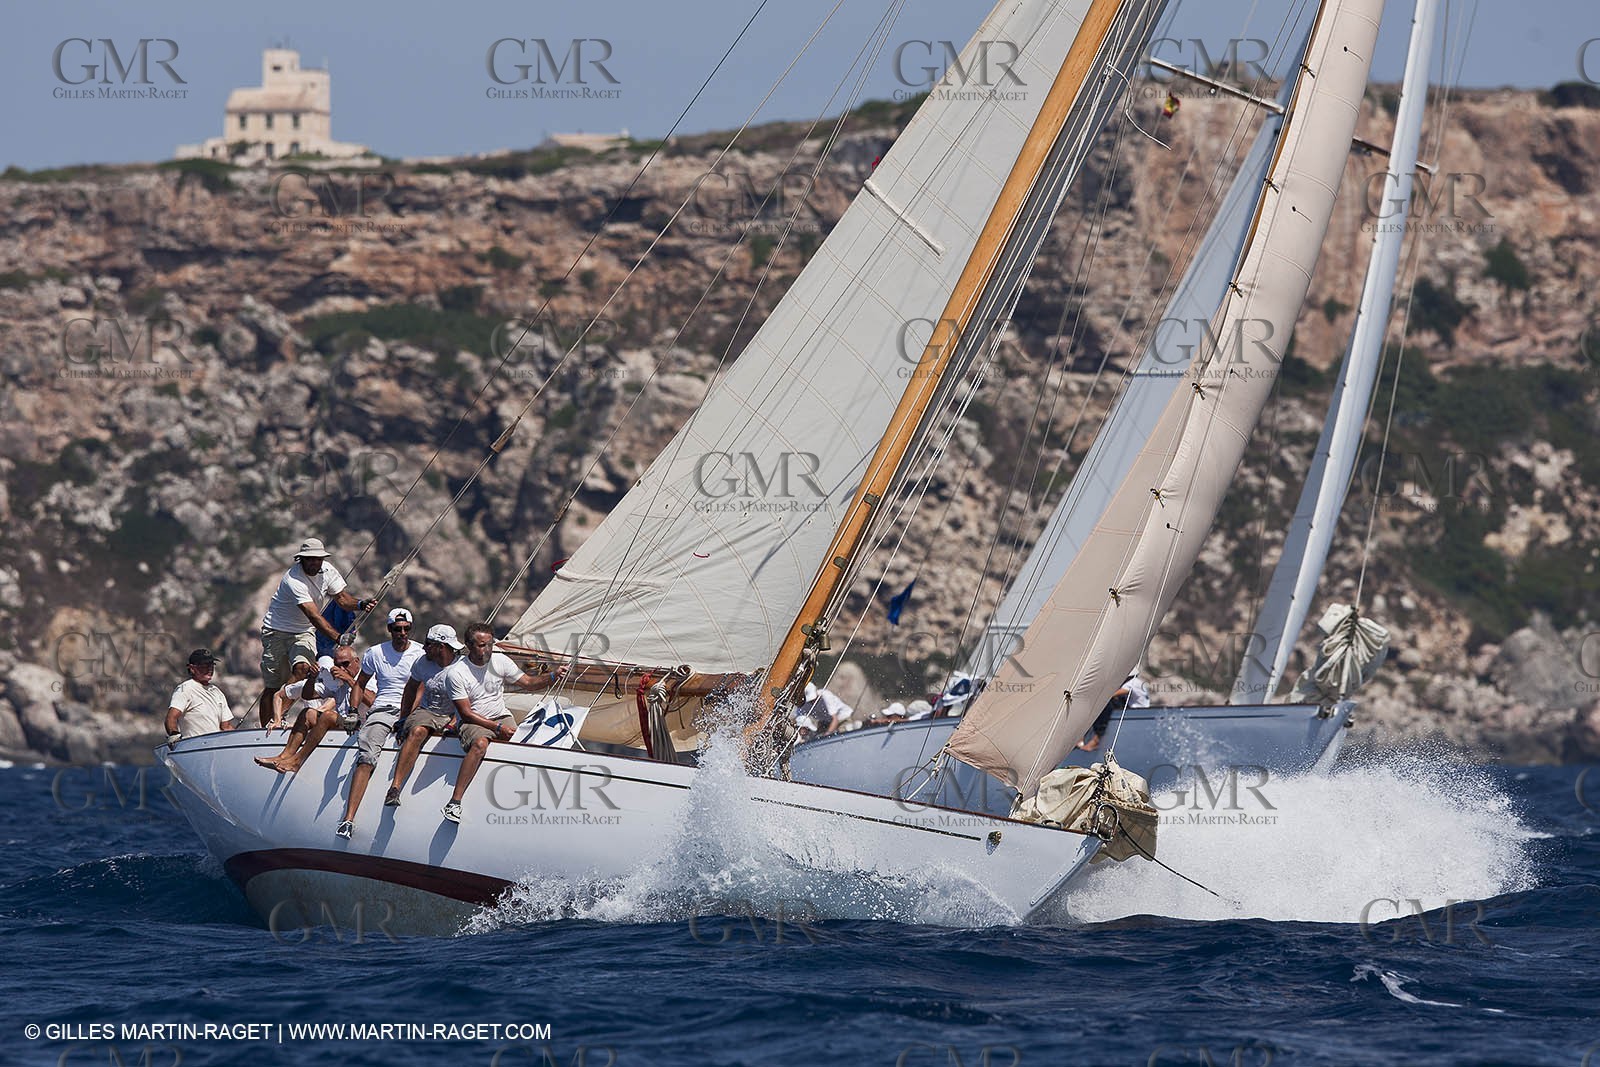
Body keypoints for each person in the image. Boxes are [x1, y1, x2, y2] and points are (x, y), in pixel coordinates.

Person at [257, 537, 376, 728]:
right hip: (277, 630)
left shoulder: (328, 570)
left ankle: (279, 716)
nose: (314, 562)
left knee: (303, 669)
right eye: (310, 558)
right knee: (273, 684)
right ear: (301, 559)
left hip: (303, 631)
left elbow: (343, 599)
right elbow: (313, 615)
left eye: (317, 558)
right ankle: (265, 727)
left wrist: (361, 604)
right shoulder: (293, 580)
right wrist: (338, 637)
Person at [335, 608, 425, 838]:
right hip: (384, 708)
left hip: (411, 709)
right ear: (390, 630)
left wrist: (408, 716)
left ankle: (394, 789)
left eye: (406, 629)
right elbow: (360, 684)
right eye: (397, 629)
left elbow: (420, 689)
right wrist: (353, 712)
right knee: (366, 755)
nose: (402, 633)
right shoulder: (375, 653)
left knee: (418, 732)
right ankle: (348, 819)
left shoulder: (420, 653)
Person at [439, 623, 542, 823]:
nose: (487, 650)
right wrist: (497, 728)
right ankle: (454, 802)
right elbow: (466, 714)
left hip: (500, 714)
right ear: (469, 645)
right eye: (481, 645)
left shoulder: (500, 661)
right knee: (480, 745)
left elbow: (528, 683)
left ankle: (519, 797)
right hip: (473, 721)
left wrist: (554, 676)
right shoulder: (456, 673)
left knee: (525, 744)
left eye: (489, 644)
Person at [383, 624, 467, 808]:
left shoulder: (462, 667)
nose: (423, 647)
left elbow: (470, 700)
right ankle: (395, 788)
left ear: (440, 647)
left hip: (455, 712)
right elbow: (411, 688)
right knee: (417, 732)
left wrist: (454, 722)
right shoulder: (422, 662)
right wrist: (403, 718)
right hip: (428, 711)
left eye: (428, 644)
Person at [256, 647, 365, 774]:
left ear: (356, 661)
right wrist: (312, 678)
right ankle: (284, 756)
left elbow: (372, 700)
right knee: (308, 713)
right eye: (337, 665)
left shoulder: (367, 678)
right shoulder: (337, 683)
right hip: (345, 723)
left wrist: (349, 680)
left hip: (362, 725)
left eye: (345, 664)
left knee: (328, 716)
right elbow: (308, 695)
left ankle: (297, 761)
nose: (341, 669)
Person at [165, 648, 236, 744]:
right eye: (205, 666)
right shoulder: (185, 689)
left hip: (216, 749)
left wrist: (240, 738)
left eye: (211, 665)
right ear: (192, 668)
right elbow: (171, 717)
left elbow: (226, 727)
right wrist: (174, 735)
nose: (210, 669)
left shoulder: (217, 692)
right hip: (194, 748)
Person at [1078, 669, 1150, 752]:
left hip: (1135, 711)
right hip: (1140, 710)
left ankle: (1096, 739)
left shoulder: (1130, 683)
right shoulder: (1138, 682)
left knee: (1106, 704)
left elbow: (1112, 695)